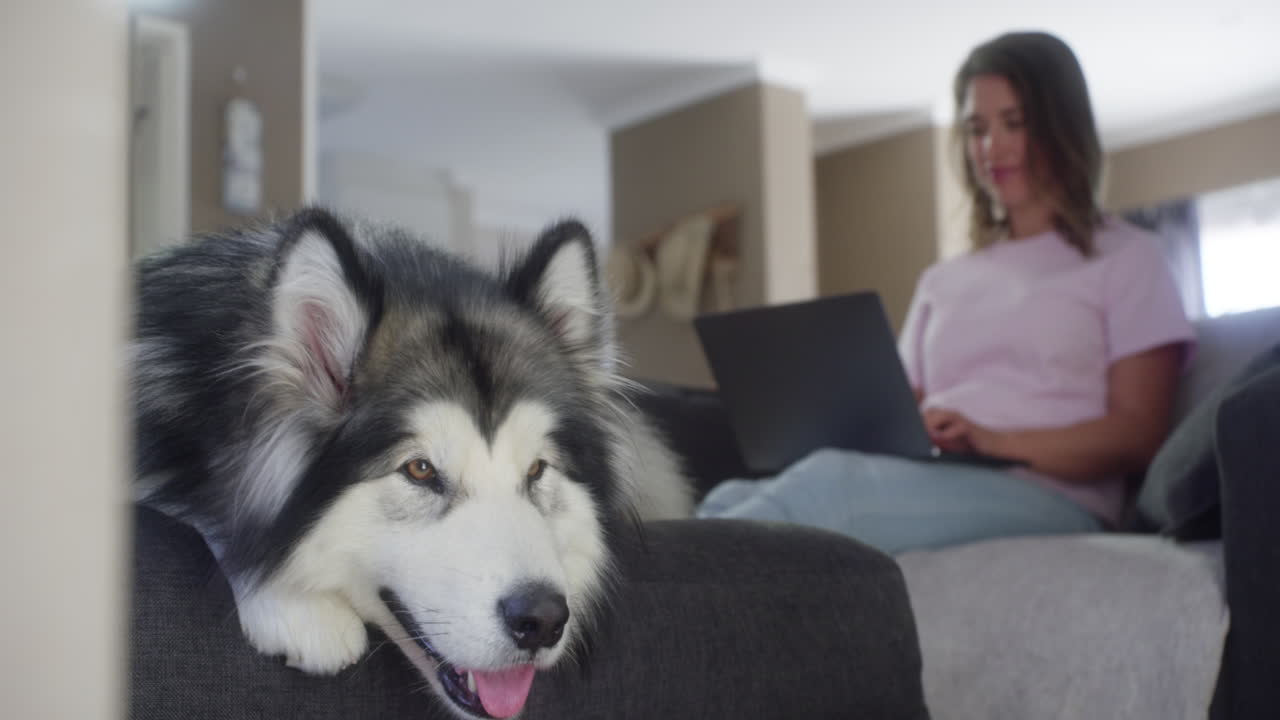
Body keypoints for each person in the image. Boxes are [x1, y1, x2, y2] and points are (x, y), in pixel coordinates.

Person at [696, 30, 1195, 554]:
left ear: (1061, 124)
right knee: (730, 495)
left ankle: (656, 618)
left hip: (1053, 494)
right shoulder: (943, 280)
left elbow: (1138, 434)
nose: (991, 148)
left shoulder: (1129, 258)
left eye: (1014, 123)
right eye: (977, 129)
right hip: (936, 472)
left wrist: (995, 440)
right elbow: (899, 403)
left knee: (831, 490)